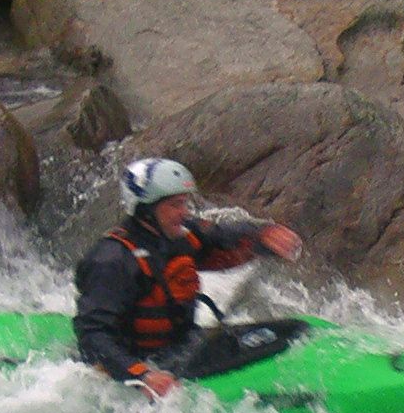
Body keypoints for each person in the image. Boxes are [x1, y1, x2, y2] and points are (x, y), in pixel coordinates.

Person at [74, 158, 303, 398]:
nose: (184, 213)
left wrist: (262, 236)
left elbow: (221, 237)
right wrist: (143, 376)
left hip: (184, 347)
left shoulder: (180, 235)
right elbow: (92, 335)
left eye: (184, 203)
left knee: (294, 330)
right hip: (141, 363)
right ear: (146, 209)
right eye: (175, 205)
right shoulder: (112, 260)